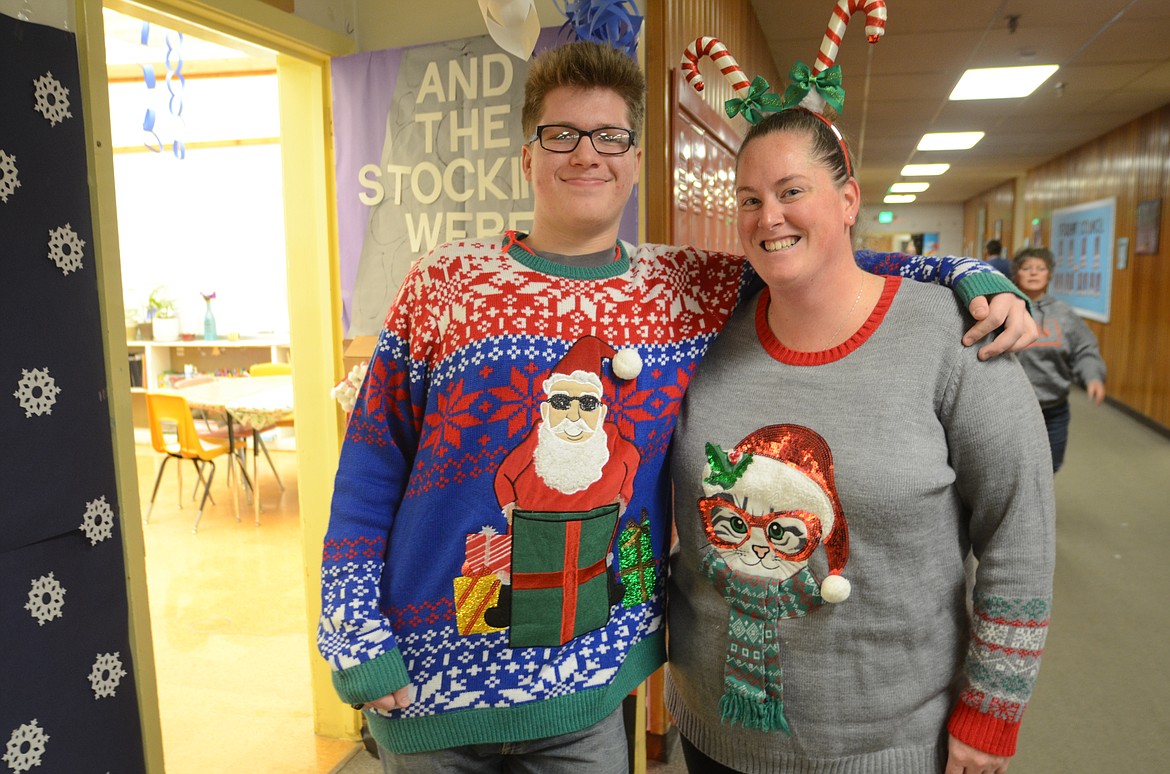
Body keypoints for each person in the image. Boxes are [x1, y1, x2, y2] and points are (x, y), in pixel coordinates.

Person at [317, 41, 1037, 773]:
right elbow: (372, 459)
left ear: (634, 160)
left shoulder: (682, 288)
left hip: (590, 697)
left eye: (611, 138)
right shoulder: (444, 284)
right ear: (527, 156)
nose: (586, 155)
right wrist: (354, 634)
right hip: (429, 689)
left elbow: (819, 254)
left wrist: (966, 271)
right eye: (561, 134)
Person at [665, 108, 1055, 774]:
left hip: (888, 744)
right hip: (716, 734)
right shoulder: (703, 337)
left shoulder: (955, 339)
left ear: (848, 200)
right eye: (750, 200)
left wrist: (992, 713)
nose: (769, 217)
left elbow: (1021, 534)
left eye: (792, 191)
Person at [1012, 246, 1106, 471]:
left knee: (1050, 466)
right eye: (1027, 268)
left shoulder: (1064, 314)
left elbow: (1085, 349)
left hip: (1054, 409)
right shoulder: (1005, 309)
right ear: (1016, 274)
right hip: (1012, 408)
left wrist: (1093, 377)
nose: (1034, 273)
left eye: (1040, 268)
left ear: (1049, 275)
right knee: (1013, 468)